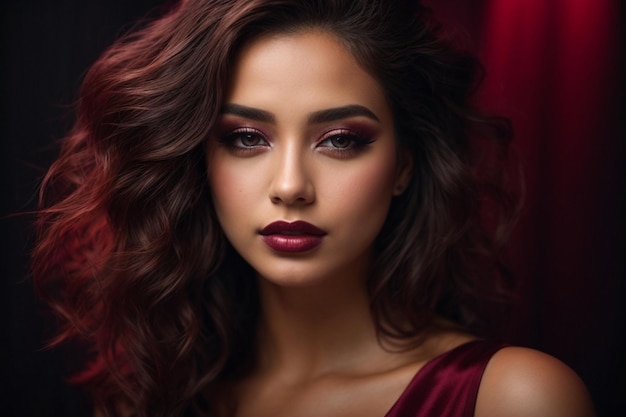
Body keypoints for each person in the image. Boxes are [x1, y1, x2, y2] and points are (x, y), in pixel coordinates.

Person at [32, 0, 596, 416]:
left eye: (341, 140)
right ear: (199, 157)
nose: (290, 186)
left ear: (404, 165)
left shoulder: (512, 398)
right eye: (247, 138)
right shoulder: (163, 395)